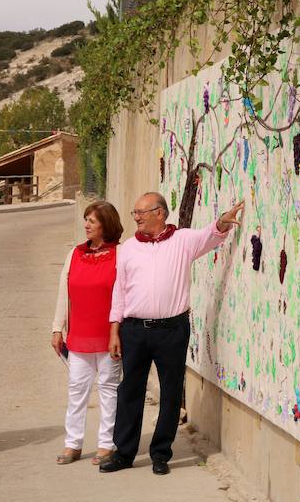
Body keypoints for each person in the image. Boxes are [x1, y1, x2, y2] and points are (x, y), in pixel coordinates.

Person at [99, 192, 244, 476]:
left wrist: (224, 221)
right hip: (134, 330)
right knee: (130, 391)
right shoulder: (128, 248)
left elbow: (211, 235)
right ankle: (124, 453)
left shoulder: (183, 240)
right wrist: (114, 329)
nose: (136, 218)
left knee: (170, 392)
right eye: (135, 213)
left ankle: (161, 454)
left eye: (141, 212)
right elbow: (120, 290)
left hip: (172, 330)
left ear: (160, 213)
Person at [51, 201, 124, 466]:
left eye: (92, 221)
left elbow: (124, 294)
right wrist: (57, 328)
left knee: (108, 390)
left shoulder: (121, 254)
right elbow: (64, 292)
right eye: (86, 220)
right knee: (77, 390)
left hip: (108, 336)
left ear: (106, 224)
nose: (86, 225)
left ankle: (106, 444)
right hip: (79, 336)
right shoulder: (75, 254)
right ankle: (73, 444)